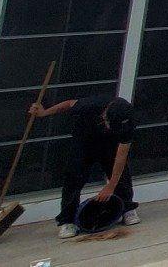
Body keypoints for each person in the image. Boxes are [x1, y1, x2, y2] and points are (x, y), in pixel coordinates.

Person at [28, 93, 139, 239]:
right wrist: (44, 112)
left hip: (109, 144)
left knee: (121, 174)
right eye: (108, 123)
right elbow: (67, 104)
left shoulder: (127, 120)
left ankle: (126, 208)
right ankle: (67, 220)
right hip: (84, 141)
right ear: (105, 114)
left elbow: (121, 156)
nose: (107, 126)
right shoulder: (90, 104)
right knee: (74, 176)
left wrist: (110, 186)